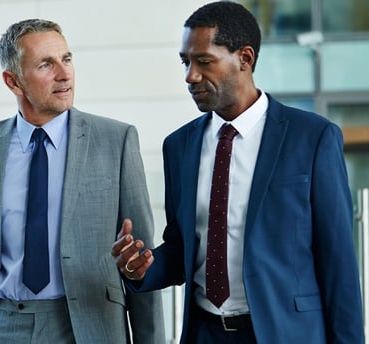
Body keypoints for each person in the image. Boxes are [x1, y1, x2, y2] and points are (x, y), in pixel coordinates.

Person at [111, 2, 364, 343]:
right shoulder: (179, 146)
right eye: (186, 62)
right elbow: (182, 247)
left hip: (285, 333)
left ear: (244, 58)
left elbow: (338, 264)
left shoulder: (313, 137)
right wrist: (142, 267)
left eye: (204, 61)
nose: (190, 76)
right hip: (204, 333)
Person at [0, 18, 165, 344]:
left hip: (91, 327)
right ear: (13, 81)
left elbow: (141, 257)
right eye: (45, 64)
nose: (64, 74)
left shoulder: (115, 140)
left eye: (66, 59)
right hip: (4, 326)